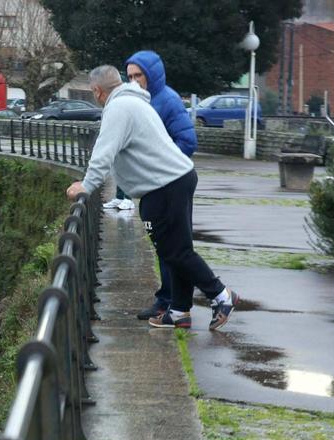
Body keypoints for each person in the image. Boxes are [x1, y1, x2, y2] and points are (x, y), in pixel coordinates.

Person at [66, 65, 236, 332]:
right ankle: (179, 311)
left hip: (164, 186)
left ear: (97, 91)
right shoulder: (134, 102)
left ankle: (221, 295)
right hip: (175, 179)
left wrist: (86, 186)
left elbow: (103, 152)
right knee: (176, 250)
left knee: (175, 251)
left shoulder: (118, 108)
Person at [124, 51, 199, 320]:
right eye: (129, 76)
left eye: (139, 75)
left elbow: (187, 142)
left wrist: (161, 168)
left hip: (171, 184)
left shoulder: (168, 101)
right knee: (165, 246)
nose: (134, 81)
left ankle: (189, 300)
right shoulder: (139, 102)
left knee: (175, 246)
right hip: (156, 186)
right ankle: (169, 300)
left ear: (151, 75)